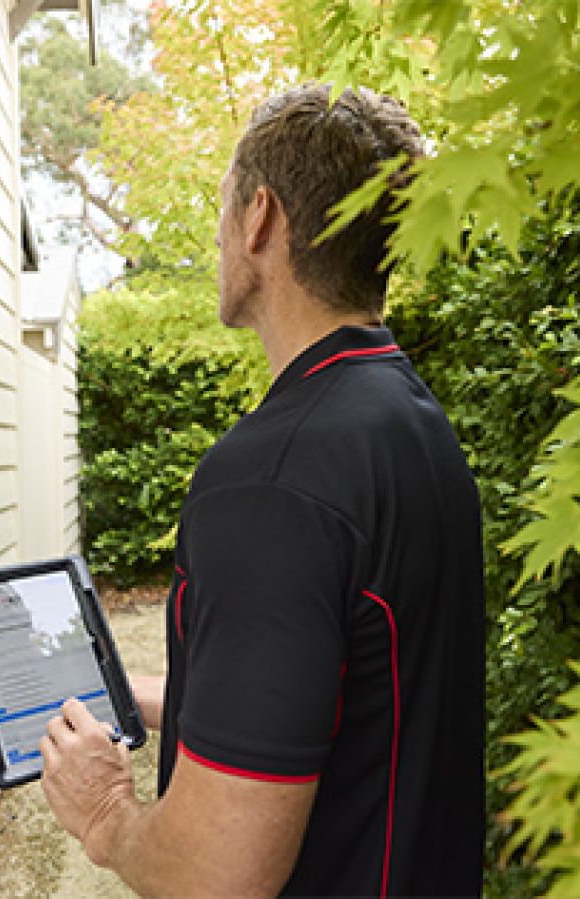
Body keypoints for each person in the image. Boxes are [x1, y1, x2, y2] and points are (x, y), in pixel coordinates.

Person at [39, 83, 485, 898]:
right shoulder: (409, 421)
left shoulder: (270, 484)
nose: (216, 236)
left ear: (260, 220)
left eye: (222, 208)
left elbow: (216, 874)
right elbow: (331, 700)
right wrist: (133, 696)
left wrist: (105, 812)